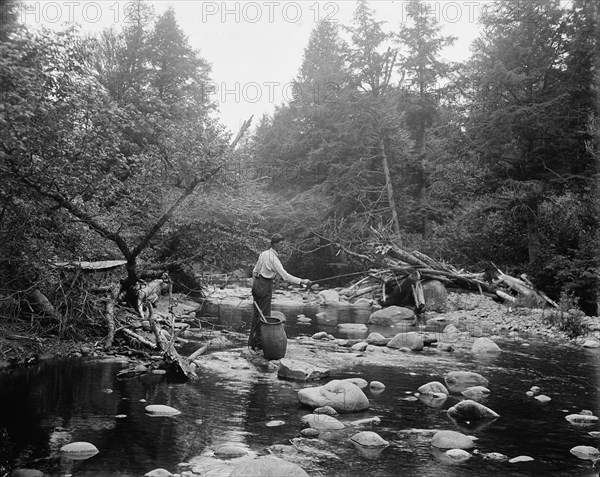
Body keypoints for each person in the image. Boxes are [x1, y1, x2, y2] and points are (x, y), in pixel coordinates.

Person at [249, 234, 311, 351]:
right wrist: (302, 281)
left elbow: (255, 271)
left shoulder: (264, 254)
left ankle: (253, 341)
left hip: (258, 284)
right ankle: (259, 343)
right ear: (274, 244)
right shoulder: (273, 259)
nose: (283, 246)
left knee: (257, 314)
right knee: (264, 315)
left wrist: (255, 285)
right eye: (281, 244)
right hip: (265, 285)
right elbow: (285, 276)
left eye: (283, 243)